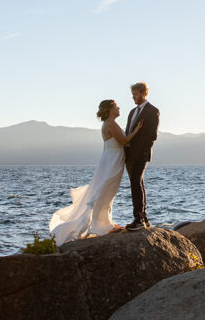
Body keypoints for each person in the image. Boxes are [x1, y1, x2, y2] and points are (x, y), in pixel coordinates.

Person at [49, 99, 141, 245]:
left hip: (111, 159)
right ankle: (102, 226)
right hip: (113, 160)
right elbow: (123, 141)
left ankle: (106, 222)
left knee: (108, 192)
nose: (119, 108)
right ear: (110, 109)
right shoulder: (110, 123)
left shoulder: (109, 123)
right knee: (106, 191)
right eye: (116, 107)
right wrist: (137, 131)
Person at [124, 82, 159, 230]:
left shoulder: (153, 111)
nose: (133, 97)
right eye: (132, 94)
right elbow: (128, 132)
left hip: (142, 154)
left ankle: (139, 219)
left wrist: (143, 152)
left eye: (136, 94)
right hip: (129, 155)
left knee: (136, 183)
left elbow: (152, 135)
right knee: (137, 183)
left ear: (144, 93)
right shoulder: (132, 112)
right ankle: (143, 217)